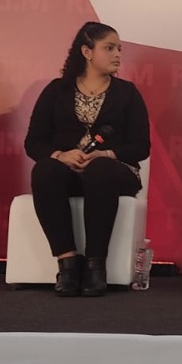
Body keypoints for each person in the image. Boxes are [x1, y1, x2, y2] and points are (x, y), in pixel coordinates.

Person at [25, 22, 149, 297]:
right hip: (69, 171)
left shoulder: (127, 93)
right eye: (109, 48)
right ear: (87, 52)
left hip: (115, 171)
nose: (118, 54)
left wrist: (106, 154)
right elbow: (33, 143)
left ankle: (95, 266)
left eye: (119, 49)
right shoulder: (57, 90)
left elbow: (141, 146)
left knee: (100, 169)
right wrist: (61, 156)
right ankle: (67, 264)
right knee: (45, 171)